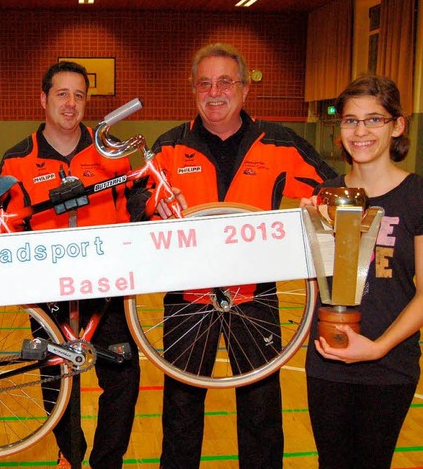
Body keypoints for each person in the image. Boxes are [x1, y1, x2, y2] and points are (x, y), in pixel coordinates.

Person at [128, 43, 337, 469]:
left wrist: (318, 205)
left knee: (261, 408)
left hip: (254, 296)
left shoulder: (278, 142)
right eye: (204, 83)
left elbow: (329, 188)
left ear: (244, 89)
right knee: (182, 410)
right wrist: (155, 207)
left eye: (225, 81)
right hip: (186, 299)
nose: (214, 91)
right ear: (193, 91)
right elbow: (137, 202)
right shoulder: (169, 146)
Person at [0, 61, 140, 469]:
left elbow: (135, 206)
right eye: (62, 93)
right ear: (43, 99)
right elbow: (9, 229)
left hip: (108, 289)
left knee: (123, 379)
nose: (71, 103)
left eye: (79, 95)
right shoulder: (18, 160)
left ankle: (107, 461)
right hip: (49, 293)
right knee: (56, 383)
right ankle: (71, 456)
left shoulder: (109, 152)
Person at [301, 75, 423, 469]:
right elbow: (314, 280)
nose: (361, 131)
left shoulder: (416, 195)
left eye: (374, 119)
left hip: (389, 364)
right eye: (351, 121)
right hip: (327, 359)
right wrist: (305, 229)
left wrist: (379, 347)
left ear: (397, 125)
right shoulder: (325, 195)